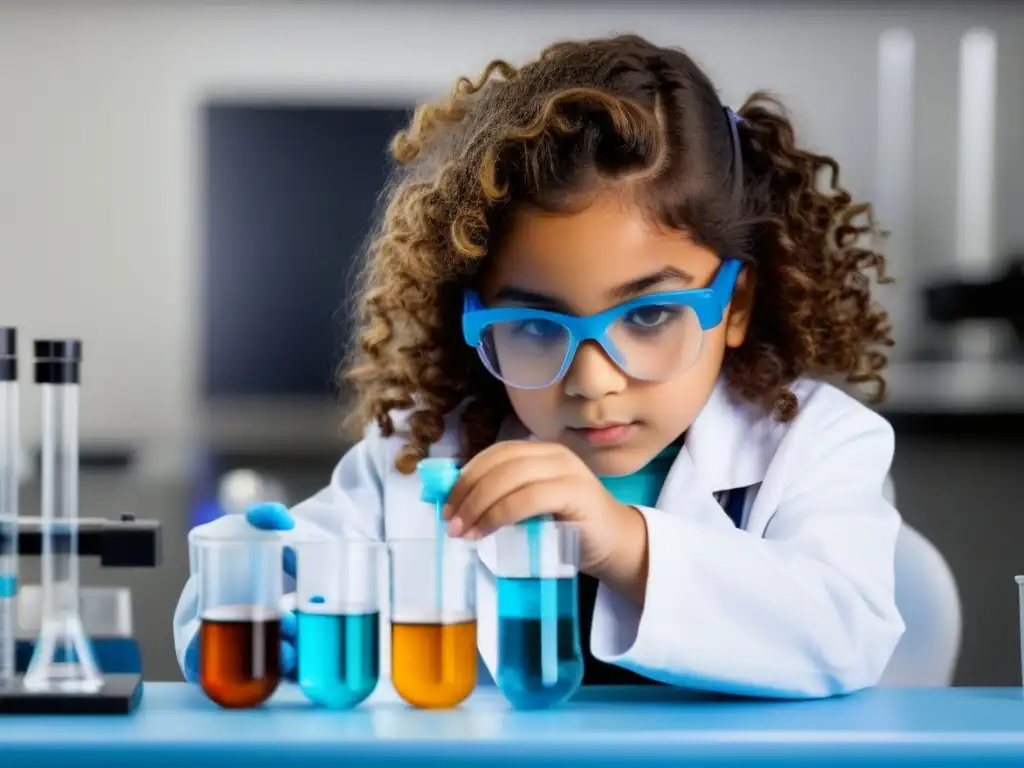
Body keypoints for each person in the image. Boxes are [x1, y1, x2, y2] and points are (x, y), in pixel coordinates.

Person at [174, 34, 904, 698]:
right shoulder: (423, 462)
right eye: (531, 325)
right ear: (472, 321)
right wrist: (249, 592)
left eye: (649, 316)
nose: (592, 381)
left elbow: (845, 632)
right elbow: (278, 580)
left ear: (735, 305)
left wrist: (620, 539)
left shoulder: (817, 445)